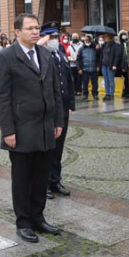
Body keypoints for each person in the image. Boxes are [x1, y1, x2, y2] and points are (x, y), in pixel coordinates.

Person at [0, 14, 63, 243]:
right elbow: (1, 98)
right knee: (22, 178)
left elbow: (54, 91)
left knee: (41, 177)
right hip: (21, 129)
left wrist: (58, 121)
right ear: (17, 31)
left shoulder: (45, 54)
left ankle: (38, 217)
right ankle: (23, 222)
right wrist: (8, 130)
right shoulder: (6, 57)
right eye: (30, 28)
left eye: (37, 28)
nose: (35, 32)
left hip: (44, 127)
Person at [39, 22, 74, 200]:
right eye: (50, 37)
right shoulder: (41, 56)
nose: (54, 40)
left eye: (55, 37)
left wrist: (70, 105)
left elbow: (68, 80)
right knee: (47, 149)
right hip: (49, 110)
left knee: (58, 148)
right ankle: (43, 184)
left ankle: (55, 180)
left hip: (62, 109)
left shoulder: (60, 54)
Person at [99, 33, 122, 101]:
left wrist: (115, 65)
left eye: (105, 37)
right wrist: (98, 48)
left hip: (111, 65)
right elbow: (101, 54)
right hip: (104, 65)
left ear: (109, 37)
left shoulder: (114, 46)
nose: (104, 39)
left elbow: (117, 56)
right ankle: (107, 94)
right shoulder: (104, 45)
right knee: (106, 80)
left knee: (111, 80)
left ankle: (112, 94)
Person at [77, 35, 99, 100]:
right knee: (85, 82)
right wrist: (79, 68)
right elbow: (78, 59)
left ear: (90, 39)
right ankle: (85, 94)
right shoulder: (81, 48)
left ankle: (95, 94)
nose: (86, 40)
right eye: (85, 39)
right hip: (84, 68)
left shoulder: (95, 47)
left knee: (95, 83)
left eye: (87, 39)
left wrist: (98, 66)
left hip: (93, 68)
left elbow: (98, 57)